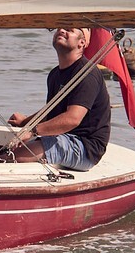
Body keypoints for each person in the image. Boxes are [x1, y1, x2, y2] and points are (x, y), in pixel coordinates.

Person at [7, 27, 110, 171]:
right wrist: (25, 122)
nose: (61, 30)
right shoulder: (55, 74)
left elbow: (72, 119)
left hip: (85, 147)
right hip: (63, 137)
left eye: (69, 29)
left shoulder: (87, 74)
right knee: (6, 148)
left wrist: (31, 132)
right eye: (59, 28)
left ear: (81, 43)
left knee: (14, 156)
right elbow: (51, 113)